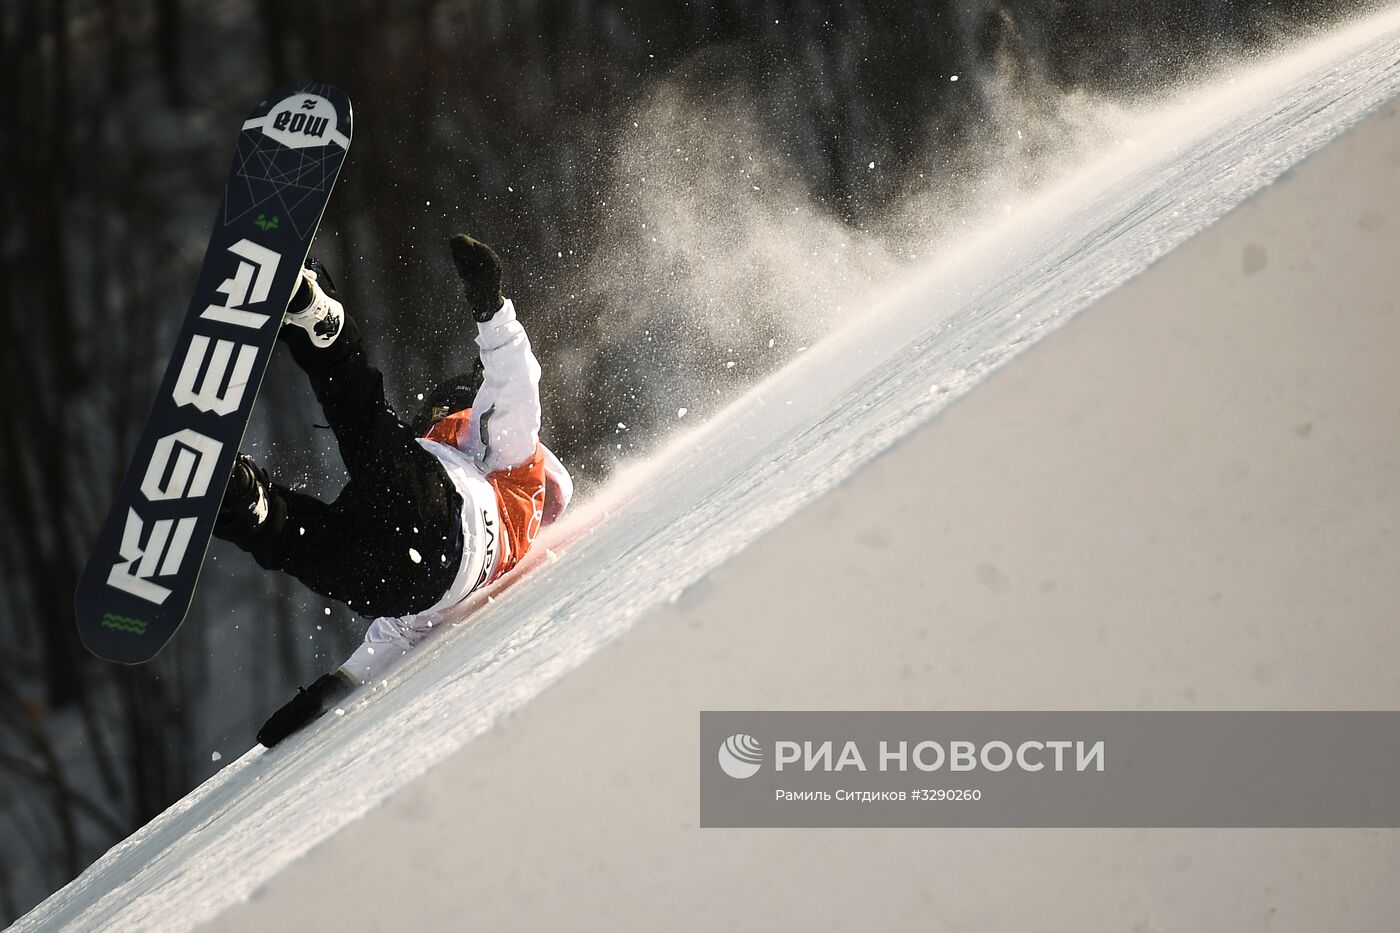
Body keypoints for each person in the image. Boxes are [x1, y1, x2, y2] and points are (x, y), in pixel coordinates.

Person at [215, 235, 573, 748]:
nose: (430, 415)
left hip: (437, 521)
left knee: (370, 436)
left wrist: (492, 306)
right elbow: (394, 638)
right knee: (318, 543)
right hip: (414, 583)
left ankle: (328, 337)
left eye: (440, 410)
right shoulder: (487, 485)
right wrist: (331, 689)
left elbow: (515, 392)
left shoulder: (512, 470)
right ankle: (251, 506)